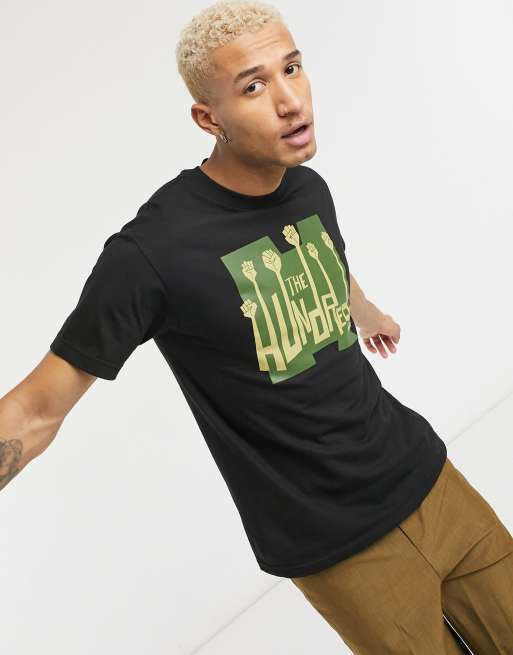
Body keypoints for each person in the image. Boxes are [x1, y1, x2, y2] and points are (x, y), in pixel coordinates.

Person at [2, 1, 513, 652]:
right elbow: (37, 408)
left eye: (291, 68)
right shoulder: (152, 254)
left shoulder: (307, 188)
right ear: (207, 118)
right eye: (253, 86)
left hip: (428, 477)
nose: (290, 101)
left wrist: (367, 314)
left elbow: (328, 264)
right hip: (339, 543)